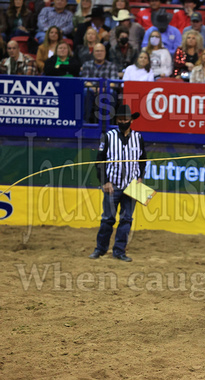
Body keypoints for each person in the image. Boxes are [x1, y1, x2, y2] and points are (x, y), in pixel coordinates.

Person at [89, 104, 147, 262]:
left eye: (125, 119)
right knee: (108, 219)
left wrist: (140, 177)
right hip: (112, 185)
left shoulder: (138, 137)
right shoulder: (108, 137)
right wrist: (104, 181)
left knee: (126, 219)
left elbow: (143, 160)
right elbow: (99, 161)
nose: (123, 122)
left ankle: (119, 251)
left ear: (131, 120)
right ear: (116, 120)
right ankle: (100, 249)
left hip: (132, 185)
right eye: (120, 119)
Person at [81, 43, 119, 122]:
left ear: (105, 52)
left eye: (101, 51)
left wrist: (104, 89)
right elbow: (85, 81)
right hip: (91, 90)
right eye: (97, 51)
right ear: (93, 53)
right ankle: (85, 121)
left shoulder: (112, 65)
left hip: (106, 91)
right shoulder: (87, 65)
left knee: (111, 92)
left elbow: (114, 82)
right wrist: (95, 89)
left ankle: (106, 122)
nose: (99, 53)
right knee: (86, 91)